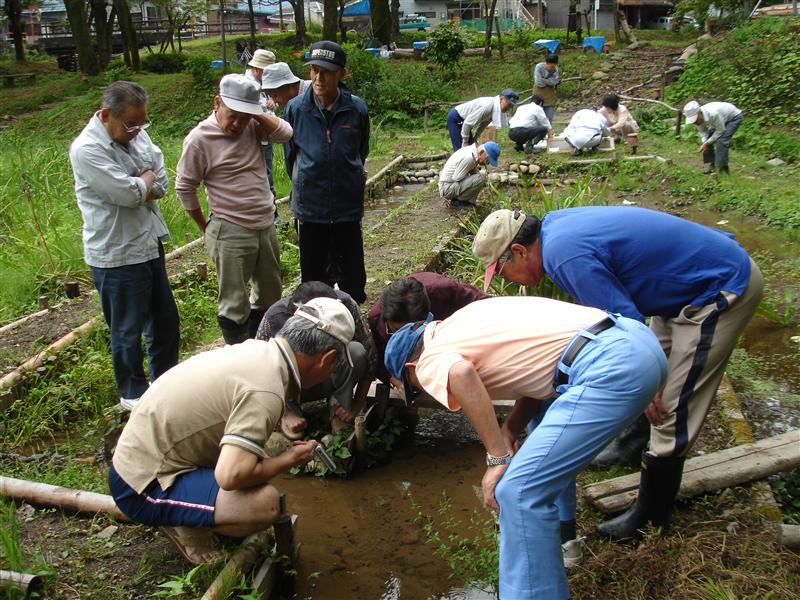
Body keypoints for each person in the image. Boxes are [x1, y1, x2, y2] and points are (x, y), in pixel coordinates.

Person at [474, 206, 763, 541]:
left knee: (672, 404)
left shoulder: (564, 256)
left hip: (716, 290)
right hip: (676, 293)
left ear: (520, 252)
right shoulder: (554, 232)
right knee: (652, 379)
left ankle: (651, 517)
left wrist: (648, 384)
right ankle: (632, 446)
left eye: (502, 270)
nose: (506, 280)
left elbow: (624, 321)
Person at [384, 296, 667, 599]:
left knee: (518, 493)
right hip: (637, 340)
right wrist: (510, 428)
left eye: (414, 387)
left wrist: (497, 458)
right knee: (531, 482)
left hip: (609, 364)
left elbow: (461, 374)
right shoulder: (463, 322)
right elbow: (543, 371)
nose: (424, 389)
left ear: (412, 366)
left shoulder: (429, 359)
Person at [109, 297, 355, 564]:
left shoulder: (259, 352)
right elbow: (231, 476)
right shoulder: (266, 389)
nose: (333, 371)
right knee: (265, 504)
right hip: (140, 484)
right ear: (327, 358)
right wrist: (288, 460)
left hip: (149, 452)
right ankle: (186, 527)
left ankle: (196, 506)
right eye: (336, 365)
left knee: (261, 454)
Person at [69, 81, 179, 412]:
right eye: (131, 124)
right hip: (116, 254)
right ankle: (134, 396)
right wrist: (144, 181)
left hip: (147, 243)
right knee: (127, 330)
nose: (137, 130)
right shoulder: (87, 149)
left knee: (165, 322)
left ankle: (167, 386)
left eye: (142, 123)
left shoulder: (134, 130)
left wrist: (143, 181)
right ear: (106, 115)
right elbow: (128, 194)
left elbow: (160, 176)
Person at [175, 74, 293, 344]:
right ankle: (237, 354)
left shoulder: (253, 125)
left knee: (270, 295)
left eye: (245, 115)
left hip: (265, 223)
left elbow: (286, 133)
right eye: (233, 114)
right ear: (217, 103)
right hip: (230, 225)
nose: (238, 123)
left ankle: (261, 348)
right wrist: (205, 228)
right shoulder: (199, 139)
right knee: (234, 301)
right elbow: (185, 187)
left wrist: (258, 114)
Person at [283, 41, 371, 304]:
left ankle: (353, 326)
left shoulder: (356, 109)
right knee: (312, 282)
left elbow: (360, 151)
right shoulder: (296, 109)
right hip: (310, 211)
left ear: (341, 74)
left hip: (346, 208)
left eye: (327, 72)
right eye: (314, 71)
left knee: (353, 279)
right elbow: (291, 158)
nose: (319, 78)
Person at [255, 281, 376, 437]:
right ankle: (290, 411)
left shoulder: (345, 305)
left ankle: (337, 408)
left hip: (326, 374)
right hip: (293, 386)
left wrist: (356, 406)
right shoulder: (274, 317)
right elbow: (261, 370)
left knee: (356, 351)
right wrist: (285, 413)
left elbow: (371, 354)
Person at [368, 273, 488, 383]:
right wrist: (394, 381)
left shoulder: (444, 291)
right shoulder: (376, 318)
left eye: (413, 332)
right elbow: (376, 358)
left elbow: (487, 306)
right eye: (397, 332)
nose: (406, 338)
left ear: (427, 315)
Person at [244, 48, 278, 198]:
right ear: (257, 68)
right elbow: (252, 107)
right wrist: (268, 103)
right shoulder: (246, 84)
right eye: (266, 70)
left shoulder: (264, 82)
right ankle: (271, 212)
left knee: (267, 170)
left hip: (267, 134)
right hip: (253, 136)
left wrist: (273, 101)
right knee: (261, 173)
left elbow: (274, 103)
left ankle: (271, 209)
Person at [446, 89, 519, 152]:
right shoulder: (488, 105)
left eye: (511, 106)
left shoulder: (495, 109)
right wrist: (465, 142)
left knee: (471, 148)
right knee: (461, 151)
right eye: (509, 105)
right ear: (501, 99)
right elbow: (467, 123)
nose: (509, 108)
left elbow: (484, 124)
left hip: (465, 122)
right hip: (456, 118)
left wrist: (475, 138)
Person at [683, 100, 743, 174]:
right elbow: (703, 131)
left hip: (734, 117)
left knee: (722, 140)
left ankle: (723, 169)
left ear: (699, 113)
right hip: (721, 120)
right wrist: (704, 142)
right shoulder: (698, 120)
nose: (695, 122)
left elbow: (720, 131)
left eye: (695, 119)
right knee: (708, 139)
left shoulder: (713, 113)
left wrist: (706, 144)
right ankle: (712, 164)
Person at [437, 141, 500, 209]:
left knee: (481, 175)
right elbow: (457, 178)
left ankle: (463, 200)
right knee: (481, 177)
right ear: (481, 152)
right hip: (447, 188)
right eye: (487, 160)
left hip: (449, 185)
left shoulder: (472, 151)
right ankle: (460, 202)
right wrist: (474, 176)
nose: (487, 163)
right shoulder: (470, 158)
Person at [532, 54, 559, 122]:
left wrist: (545, 80)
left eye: (554, 66)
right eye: (551, 66)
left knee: (549, 117)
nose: (552, 68)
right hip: (538, 94)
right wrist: (549, 81)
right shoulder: (539, 67)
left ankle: (548, 132)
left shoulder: (555, 69)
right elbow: (539, 82)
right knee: (536, 117)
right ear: (546, 63)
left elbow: (554, 82)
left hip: (550, 95)